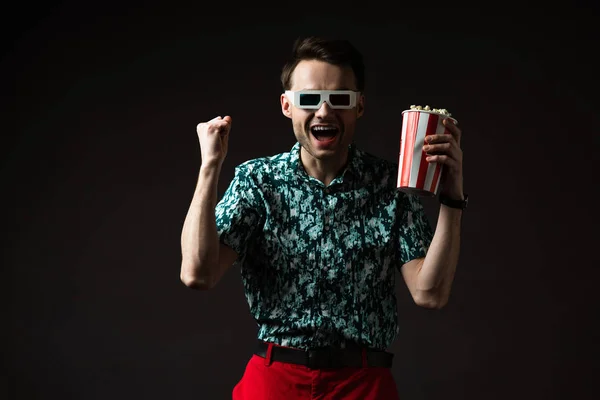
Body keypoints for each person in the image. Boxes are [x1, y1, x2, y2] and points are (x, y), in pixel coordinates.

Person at [180, 36, 466, 400]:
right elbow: (197, 273)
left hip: (364, 384)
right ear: (287, 105)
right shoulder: (257, 182)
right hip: (275, 381)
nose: (325, 112)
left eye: (340, 99)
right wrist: (210, 168)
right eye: (309, 99)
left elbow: (431, 293)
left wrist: (452, 200)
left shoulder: (390, 186)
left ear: (359, 106)